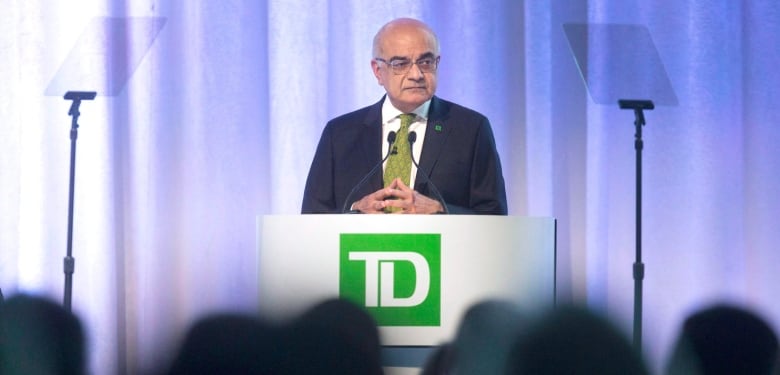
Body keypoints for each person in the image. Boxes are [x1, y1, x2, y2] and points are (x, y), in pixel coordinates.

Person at [301, 18, 507, 215]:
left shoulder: (471, 129)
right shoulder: (339, 134)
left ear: (437, 63)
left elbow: (493, 215)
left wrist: (440, 210)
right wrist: (355, 210)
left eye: (426, 62)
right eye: (400, 64)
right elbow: (312, 216)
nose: (416, 74)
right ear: (377, 71)